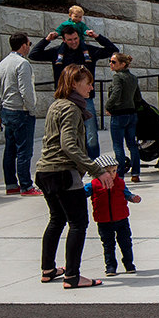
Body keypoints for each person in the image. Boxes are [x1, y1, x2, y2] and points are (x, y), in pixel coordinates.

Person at [36, 64, 114, 289]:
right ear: (73, 83)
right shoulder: (71, 108)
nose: (91, 87)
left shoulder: (56, 105)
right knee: (78, 223)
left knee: (57, 219)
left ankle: (48, 269)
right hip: (63, 173)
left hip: (45, 171)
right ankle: (72, 276)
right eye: (87, 83)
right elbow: (68, 145)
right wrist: (97, 170)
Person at [32, 23, 118, 158]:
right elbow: (34, 54)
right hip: (65, 99)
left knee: (91, 134)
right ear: (63, 40)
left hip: (85, 99)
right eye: (70, 40)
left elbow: (112, 50)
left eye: (76, 39)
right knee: (66, 133)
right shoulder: (57, 52)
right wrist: (47, 40)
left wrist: (97, 37)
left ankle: (94, 163)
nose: (73, 42)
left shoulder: (88, 51)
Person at [0, 31, 41, 195]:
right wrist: (32, 109)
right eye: (29, 44)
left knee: (10, 150)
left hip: (7, 111)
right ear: (23, 45)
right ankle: (26, 185)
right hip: (21, 112)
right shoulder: (22, 64)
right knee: (24, 151)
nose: (29, 47)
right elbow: (25, 91)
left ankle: (11, 184)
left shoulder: (1, 64)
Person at [86, 152, 140, 276]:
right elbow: (82, 193)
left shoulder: (119, 183)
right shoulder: (93, 185)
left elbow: (127, 194)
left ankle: (129, 264)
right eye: (107, 172)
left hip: (121, 219)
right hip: (103, 220)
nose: (111, 174)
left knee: (126, 243)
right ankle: (110, 266)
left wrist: (133, 198)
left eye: (114, 171)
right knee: (108, 245)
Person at [104, 52, 144, 182]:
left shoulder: (118, 77)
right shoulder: (133, 78)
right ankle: (135, 173)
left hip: (119, 114)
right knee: (132, 144)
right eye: (110, 61)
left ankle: (119, 175)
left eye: (113, 62)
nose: (111, 64)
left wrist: (108, 106)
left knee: (118, 146)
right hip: (131, 114)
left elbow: (116, 93)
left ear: (122, 64)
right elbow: (138, 97)